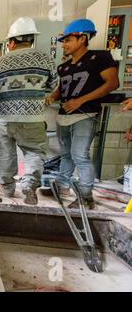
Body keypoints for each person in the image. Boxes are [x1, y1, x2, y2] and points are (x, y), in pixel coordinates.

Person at [46, 19, 120, 209]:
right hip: (64, 116)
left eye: (68, 40)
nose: (65, 44)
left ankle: (86, 196)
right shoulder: (63, 67)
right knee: (66, 155)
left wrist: (81, 100)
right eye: (64, 41)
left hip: (84, 115)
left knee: (80, 155)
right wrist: (51, 98)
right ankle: (62, 188)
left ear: (83, 39)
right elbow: (61, 90)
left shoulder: (100, 58)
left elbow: (112, 83)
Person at [0, 17, 58, 205]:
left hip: (3, 118)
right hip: (32, 117)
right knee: (34, 151)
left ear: (11, 42)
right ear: (31, 39)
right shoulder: (45, 58)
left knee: (4, 152)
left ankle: (7, 187)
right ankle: (29, 186)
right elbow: (55, 85)